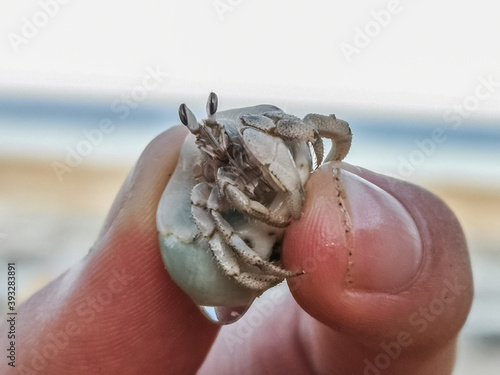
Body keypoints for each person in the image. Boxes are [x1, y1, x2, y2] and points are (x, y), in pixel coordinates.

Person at [1, 126, 473, 374]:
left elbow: (304, 129)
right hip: (229, 236)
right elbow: (207, 211)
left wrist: (327, 164)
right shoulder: (203, 183)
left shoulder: (245, 132)